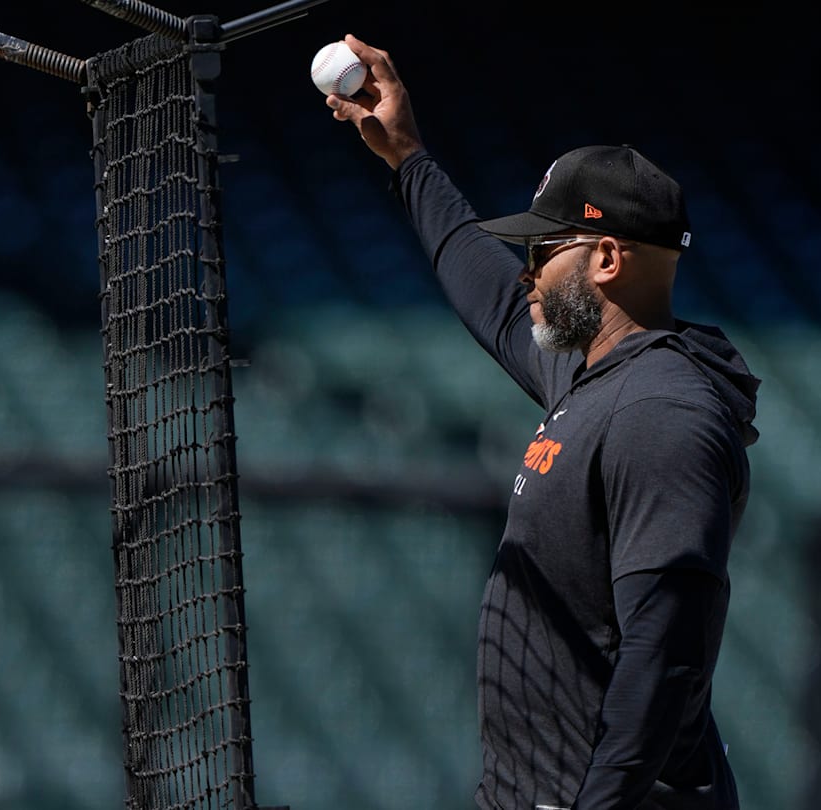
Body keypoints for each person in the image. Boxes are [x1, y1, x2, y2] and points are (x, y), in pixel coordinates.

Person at [324, 34, 761, 810]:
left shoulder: (661, 413)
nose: (527, 271)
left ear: (605, 259)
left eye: (543, 250)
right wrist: (407, 157)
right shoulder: (599, 376)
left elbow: (667, 656)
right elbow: (489, 295)